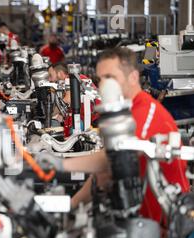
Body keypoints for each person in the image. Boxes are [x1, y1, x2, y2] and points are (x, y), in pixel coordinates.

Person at [42, 48, 189, 224]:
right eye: (101, 78)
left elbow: (116, 158)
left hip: (165, 225)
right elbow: (103, 175)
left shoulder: (146, 111)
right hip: (136, 218)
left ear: (133, 77)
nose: (104, 85)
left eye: (111, 77)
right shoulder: (121, 115)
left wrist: (59, 164)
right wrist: (71, 205)